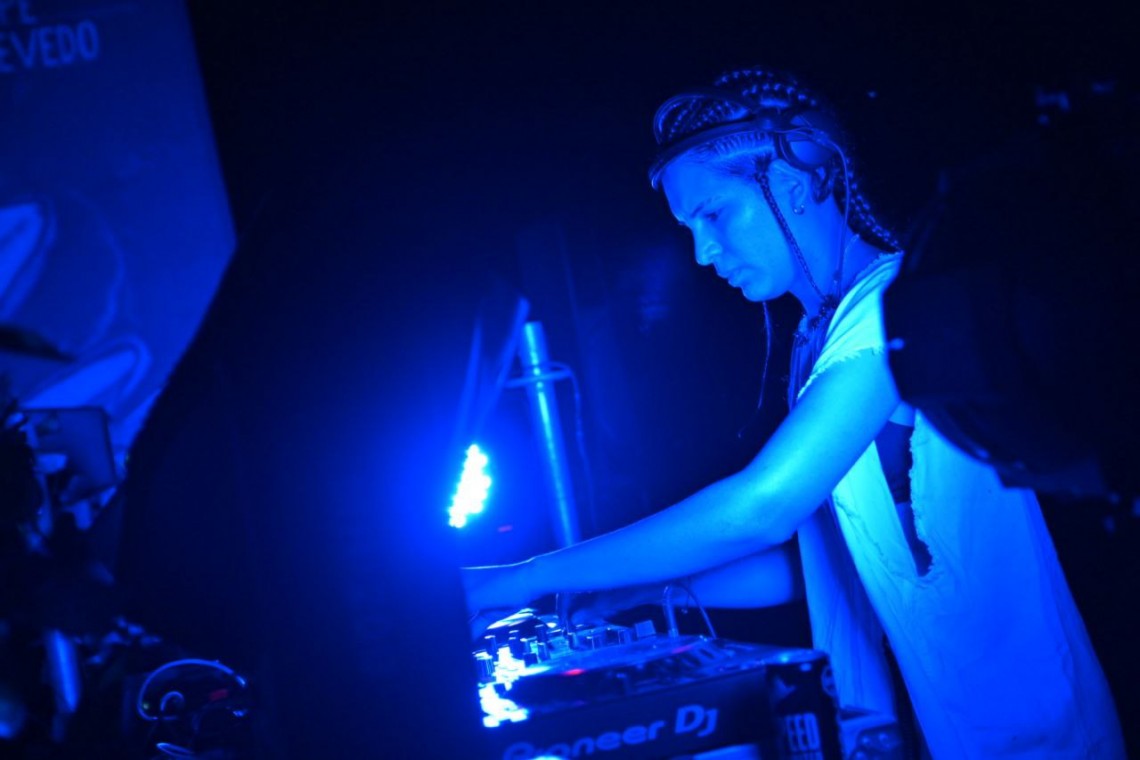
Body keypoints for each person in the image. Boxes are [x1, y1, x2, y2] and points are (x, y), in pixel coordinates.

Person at [463, 68, 1125, 758]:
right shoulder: (820, 339)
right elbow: (811, 565)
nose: (702, 253)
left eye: (714, 215)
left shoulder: (894, 305)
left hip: (1022, 733)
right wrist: (641, 590)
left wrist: (516, 577)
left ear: (799, 180)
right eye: (689, 228)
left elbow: (762, 507)